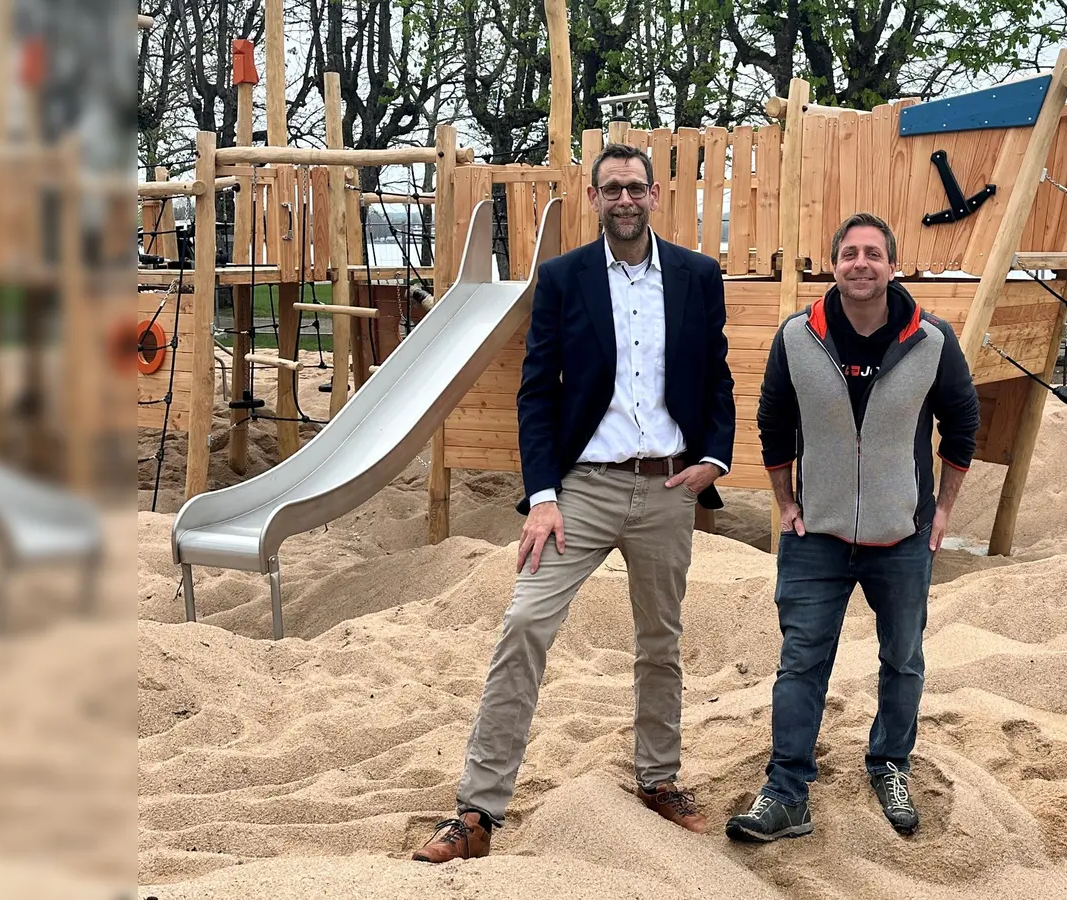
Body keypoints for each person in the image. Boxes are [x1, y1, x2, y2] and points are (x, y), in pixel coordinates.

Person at [413, 143, 736, 862]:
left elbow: (716, 374)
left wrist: (715, 456)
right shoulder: (562, 279)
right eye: (610, 188)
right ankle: (476, 811)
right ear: (593, 199)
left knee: (661, 641)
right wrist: (544, 496)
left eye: (635, 188)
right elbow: (536, 391)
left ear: (655, 195)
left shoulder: (696, 275)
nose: (624, 199)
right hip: (581, 491)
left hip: (669, 486)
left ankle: (659, 778)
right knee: (524, 623)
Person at [725, 212, 980, 842]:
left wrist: (942, 509)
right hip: (819, 536)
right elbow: (773, 425)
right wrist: (785, 504)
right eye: (849, 253)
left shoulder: (933, 341)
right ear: (832, 265)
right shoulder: (797, 338)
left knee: (902, 658)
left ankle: (891, 764)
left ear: (893, 266)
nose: (860, 263)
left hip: (902, 537)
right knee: (801, 662)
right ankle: (786, 791)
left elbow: (963, 427)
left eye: (872, 253)